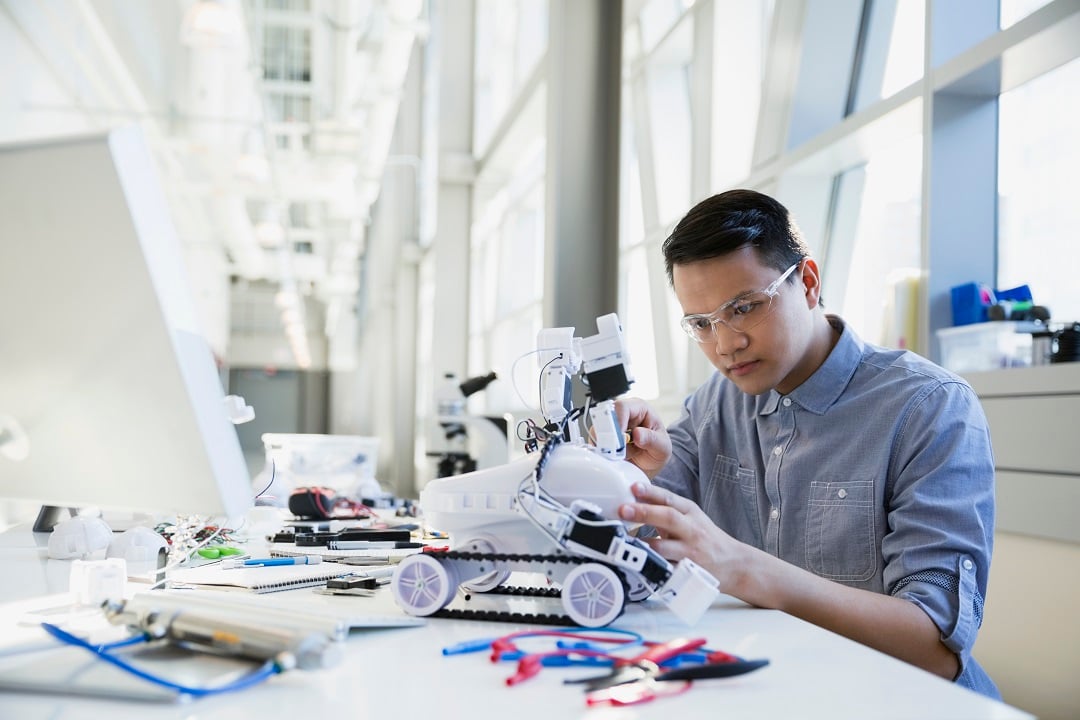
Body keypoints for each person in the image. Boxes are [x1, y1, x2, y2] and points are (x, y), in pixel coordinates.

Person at [616, 189, 999, 698]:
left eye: (745, 307)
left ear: (809, 283)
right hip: (777, 694)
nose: (726, 344)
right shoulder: (717, 402)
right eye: (702, 325)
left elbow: (935, 651)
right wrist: (633, 466)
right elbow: (644, 524)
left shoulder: (930, 408)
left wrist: (744, 568)